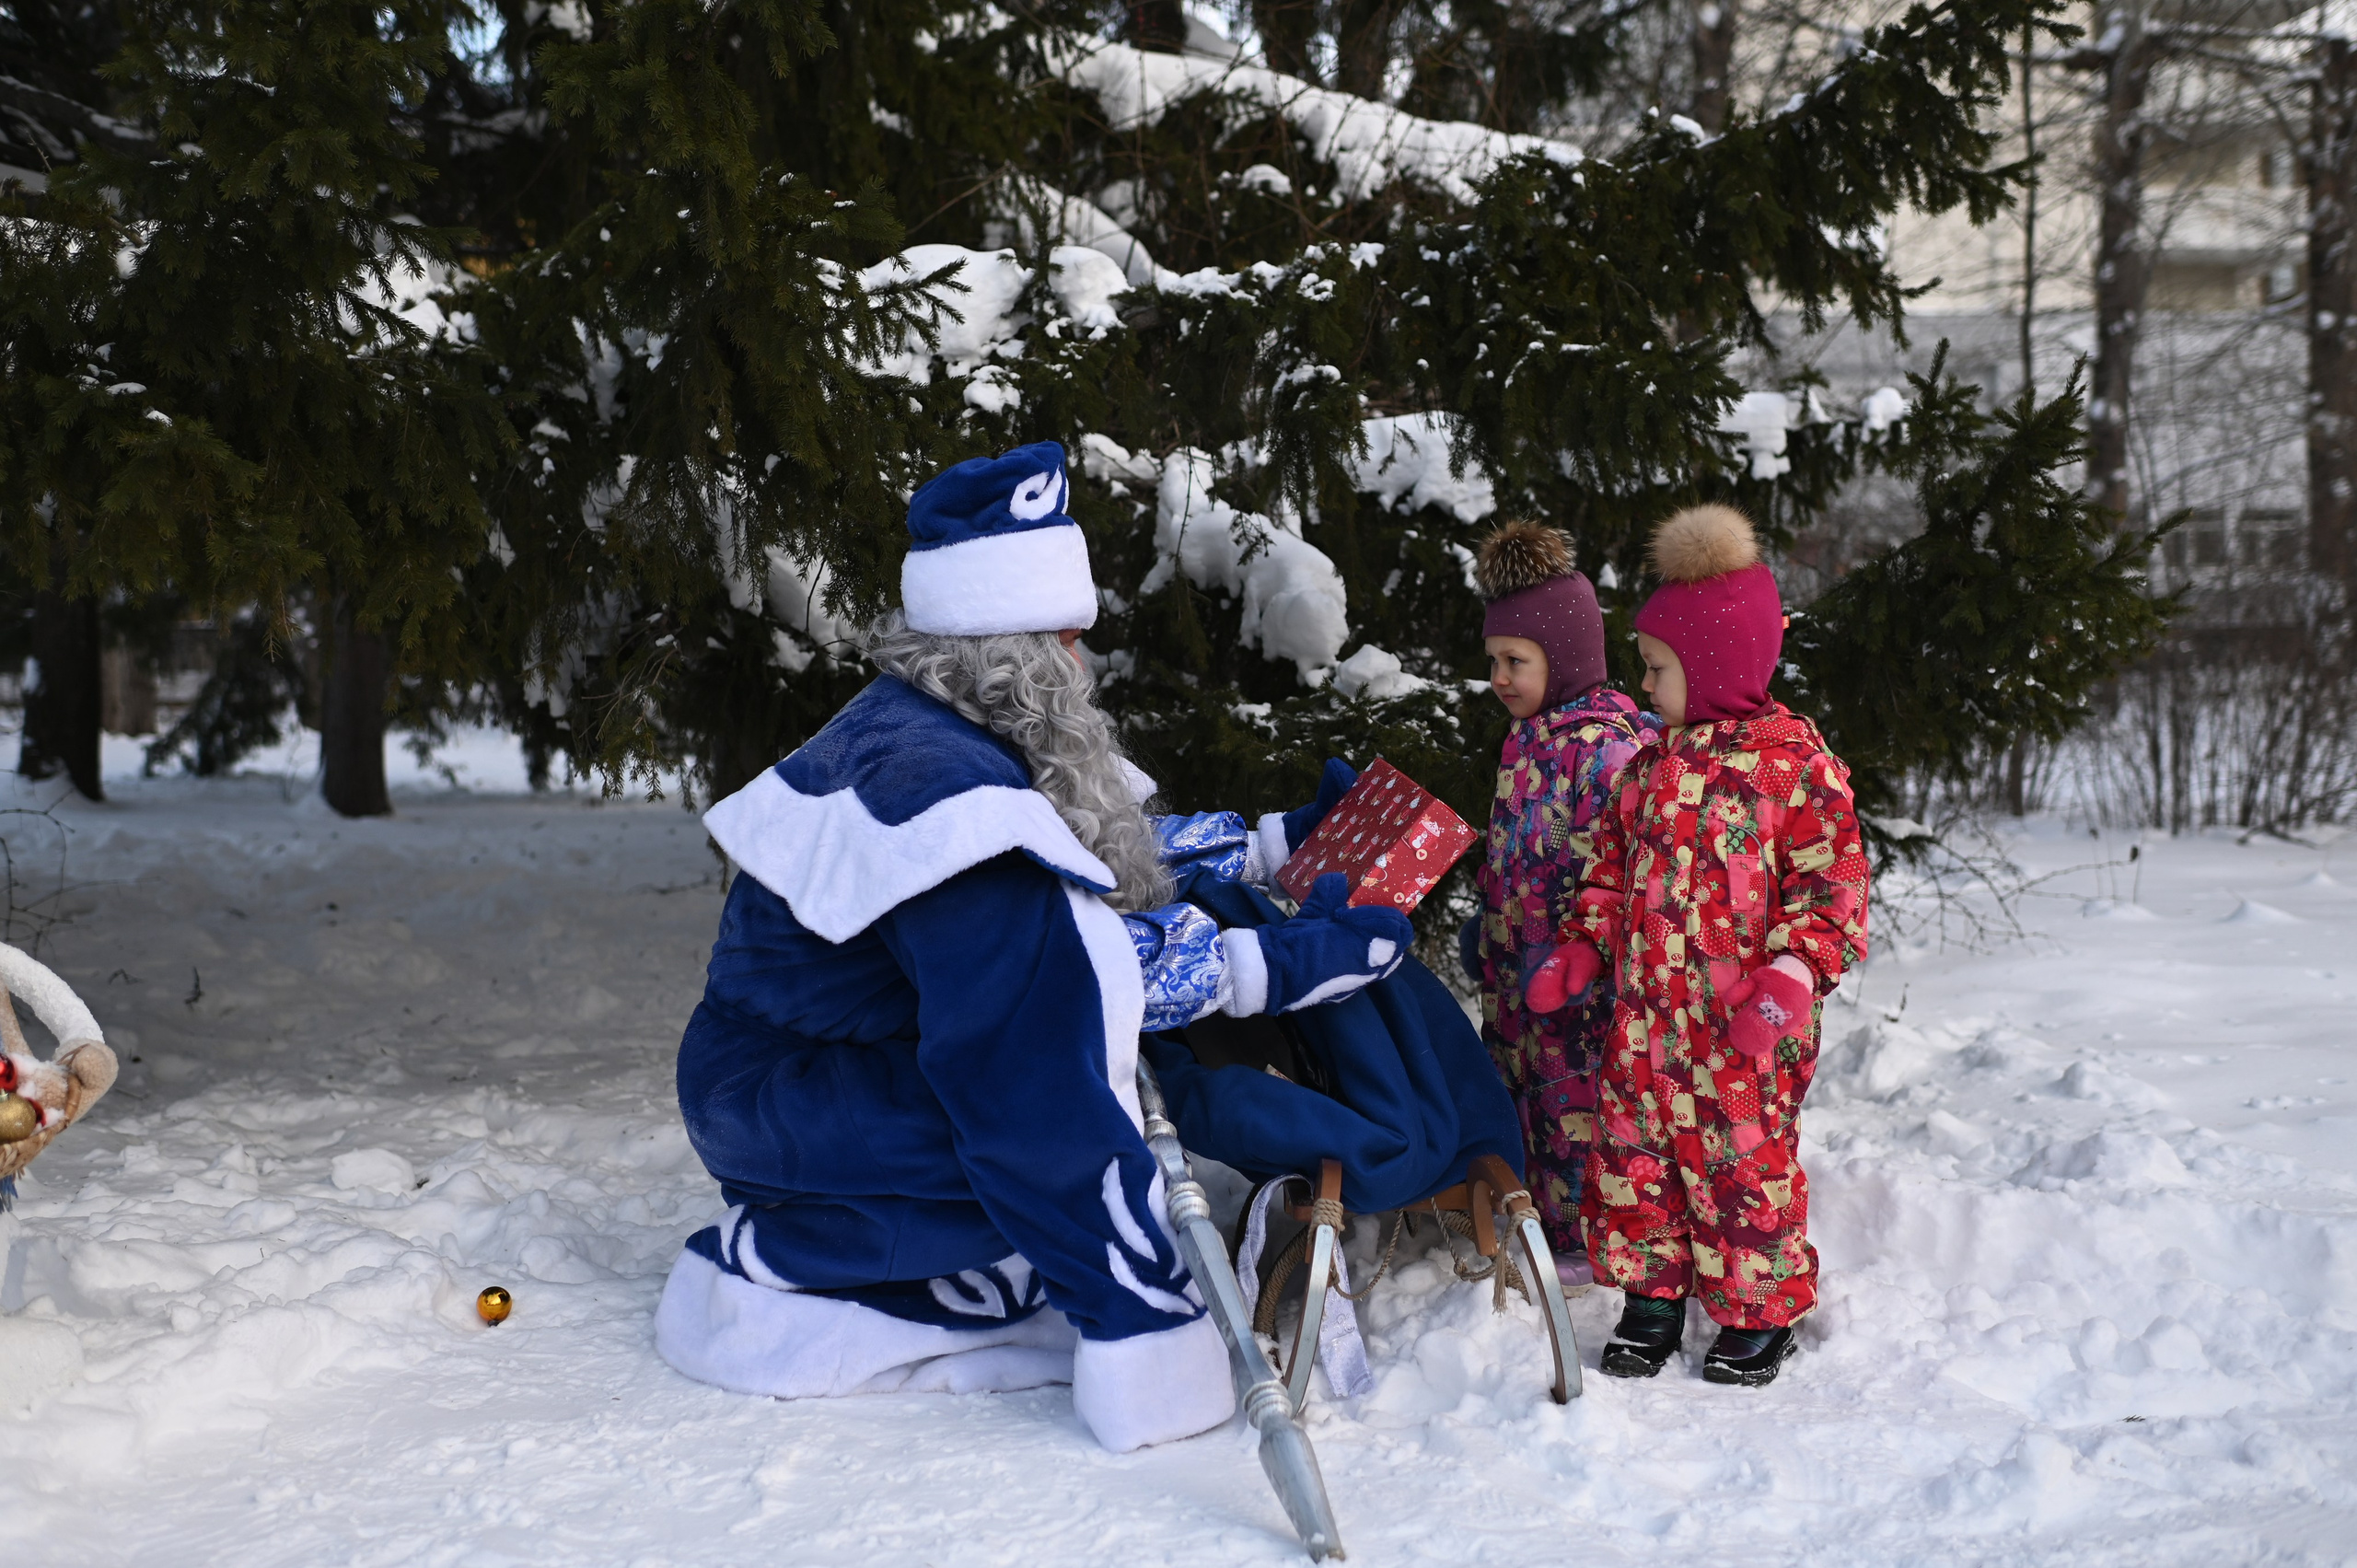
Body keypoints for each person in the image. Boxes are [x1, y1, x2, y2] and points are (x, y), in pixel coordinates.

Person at [653, 440, 1411, 1452]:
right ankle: (867, 1260)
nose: (1084, 668)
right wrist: (1145, 1324)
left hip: (776, 1078)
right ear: (1024, 655)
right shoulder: (957, 809)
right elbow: (1035, 1051)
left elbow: (1093, 867)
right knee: (1066, 1106)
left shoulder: (928, 726)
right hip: (805, 1115)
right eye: (1070, 640)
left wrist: (1269, 845)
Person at [1526, 504, 1869, 1388]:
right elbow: (1608, 873)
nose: (1644, 689)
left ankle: (1757, 1311)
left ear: (1715, 666)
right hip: (1646, 1028)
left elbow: (1833, 890)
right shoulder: (1647, 769)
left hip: (1743, 1031)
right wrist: (1586, 948)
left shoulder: (1795, 767)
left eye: (1658, 670)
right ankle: (1650, 1297)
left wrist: (1791, 977)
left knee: (1741, 1167)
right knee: (1635, 1162)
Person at [1465, 520, 1657, 1288]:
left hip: (1580, 982)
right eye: (1494, 660)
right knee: (1526, 1090)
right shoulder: (1528, 738)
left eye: (1516, 660)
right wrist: (1492, 918)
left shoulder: (1605, 749)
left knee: (1577, 1103)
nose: (1500, 677)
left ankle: (1589, 1231)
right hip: (1520, 967)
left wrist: (1586, 953)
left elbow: (1618, 868)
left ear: (1567, 658)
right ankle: (1537, 1210)